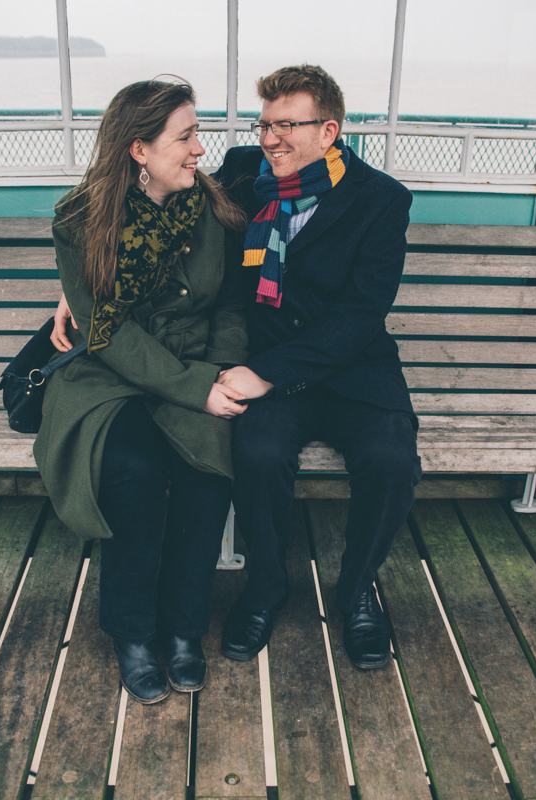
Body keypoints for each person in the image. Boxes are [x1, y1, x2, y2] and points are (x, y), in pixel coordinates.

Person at [34, 78, 250, 704]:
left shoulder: (211, 209)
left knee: (207, 471)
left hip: (198, 368)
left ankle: (184, 629)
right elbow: (106, 329)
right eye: (184, 138)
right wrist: (194, 388)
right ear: (138, 149)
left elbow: (232, 305)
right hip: (109, 373)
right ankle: (132, 632)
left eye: (197, 135)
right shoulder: (80, 221)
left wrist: (223, 371)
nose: (200, 150)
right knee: (132, 468)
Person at [212, 65, 421, 671]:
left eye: (286, 126)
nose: (270, 140)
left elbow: (361, 315)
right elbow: (156, 205)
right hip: (277, 374)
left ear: (328, 130)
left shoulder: (380, 199)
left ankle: (357, 589)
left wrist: (266, 373)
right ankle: (267, 584)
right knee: (256, 453)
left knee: (391, 461)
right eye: (264, 125)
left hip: (354, 370)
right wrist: (79, 284)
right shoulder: (241, 173)